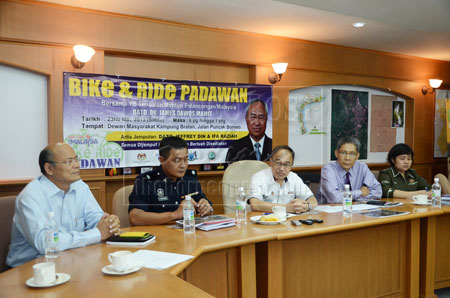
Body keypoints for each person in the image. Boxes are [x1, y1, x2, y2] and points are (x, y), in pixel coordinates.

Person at [6, 143, 120, 268]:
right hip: (30, 268)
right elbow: (45, 244)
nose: (76, 165)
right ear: (49, 168)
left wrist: (109, 224)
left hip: (69, 261)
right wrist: (97, 233)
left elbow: (96, 219)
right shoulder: (30, 197)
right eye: (69, 161)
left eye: (76, 159)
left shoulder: (79, 186)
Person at [129, 136, 213, 225]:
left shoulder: (190, 179)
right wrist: (174, 215)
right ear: (162, 160)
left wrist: (207, 208)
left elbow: (206, 205)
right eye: (177, 160)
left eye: (186, 159)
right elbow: (135, 218)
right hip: (159, 236)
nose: (183, 165)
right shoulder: (146, 181)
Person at [249, 145, 318, 213]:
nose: (281, 169)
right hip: (265, 221)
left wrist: (307, 206)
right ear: (271, 162)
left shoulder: (294, 177)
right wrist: (286, 208)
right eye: (278, 163)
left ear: (291, 165)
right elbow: (255, 204)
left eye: (286, 164)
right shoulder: (258, 177)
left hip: (289, 222)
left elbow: (313, 200)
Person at [317, 136, 382, 203]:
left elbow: (378, 192)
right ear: (336, 153)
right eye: (343, 153)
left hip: (355, 209)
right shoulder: (328, 170)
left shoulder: (362, 167)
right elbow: (335, 198)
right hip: (329, 211)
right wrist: (359, 192)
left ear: (357, 156)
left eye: (352, 154)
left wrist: (353, 198)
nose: (347, 158)